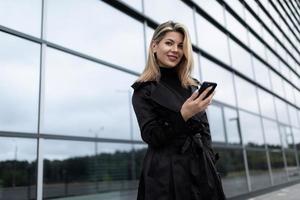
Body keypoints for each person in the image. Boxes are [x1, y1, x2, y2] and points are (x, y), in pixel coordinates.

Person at [131, 21, 226, 200]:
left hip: (202, 172)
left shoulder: (191, 87)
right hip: (166, 175)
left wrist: (211, 165)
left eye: (181, 46)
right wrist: (183, 115)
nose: (175, 49)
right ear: (154, 46)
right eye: (169, 43)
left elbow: (205, 132)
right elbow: (151, 136)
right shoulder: (143, 90)